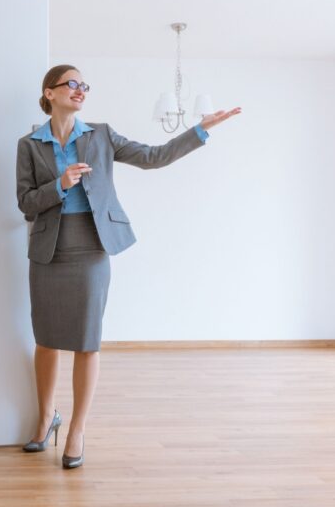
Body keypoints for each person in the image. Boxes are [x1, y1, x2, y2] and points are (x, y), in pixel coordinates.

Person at [15, 64, 240, 469]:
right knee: (46, 338)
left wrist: (200, 130)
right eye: (72, 84)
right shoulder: (29, 144)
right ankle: (46, 417)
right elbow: (26, 203)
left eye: (85, 85)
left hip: (91, 245)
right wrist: (60, 185)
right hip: (48, 248)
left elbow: (153, 157)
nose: (81, 90)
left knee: (86, 339)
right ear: (49, 92)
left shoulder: (100, 134)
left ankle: (78, 430)